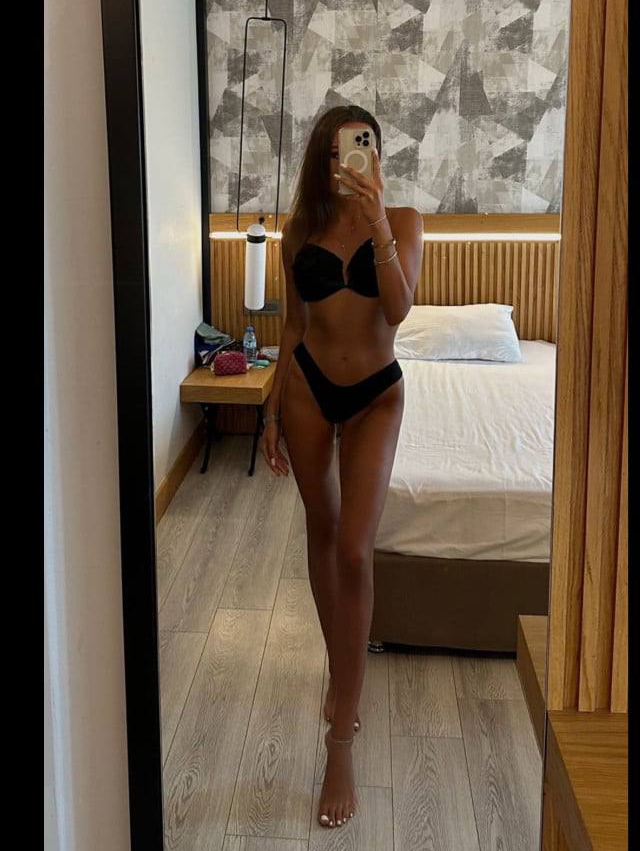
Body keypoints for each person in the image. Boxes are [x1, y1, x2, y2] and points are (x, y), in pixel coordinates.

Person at [259, 105, 424, 829]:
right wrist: (270, 407)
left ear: (377, 156)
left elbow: (400, 308)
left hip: (375, 396)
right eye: (336, 153)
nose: (349, 162)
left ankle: (341, 739)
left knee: (355, 548)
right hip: (306, 389)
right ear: (320, 162)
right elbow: (294, 326)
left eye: (362, 149)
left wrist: (378, 220)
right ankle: (341, 670)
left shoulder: (406, 220)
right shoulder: (299, 231)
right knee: (321, 531)